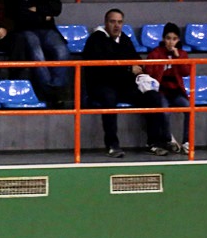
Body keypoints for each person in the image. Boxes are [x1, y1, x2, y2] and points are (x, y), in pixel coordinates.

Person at [82, 8, 168, 157]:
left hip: (124, 86)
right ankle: (112, 145)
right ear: (105, 23)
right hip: (101, 85)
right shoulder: (95, 40)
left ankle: (153, 143)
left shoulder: (125, 39)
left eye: (120, 22)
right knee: (109, 98)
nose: (116, 26)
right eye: (113, 22)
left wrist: (137, 70)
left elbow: (137, 61)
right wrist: (128, 69)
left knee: (153, 97)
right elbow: (102, 68)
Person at [6, 0, 71, 107]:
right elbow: (18, 15)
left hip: (48, 30)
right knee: (37, 54)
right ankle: (52, 94)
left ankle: (55, 88)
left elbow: (56, 8)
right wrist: (44, 15)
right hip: (25, 30)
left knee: (62, 52)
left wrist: (36, 10)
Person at [144, 22, 191, 154]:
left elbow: (186, 71)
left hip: (176, 91)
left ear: (178, 40)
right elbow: (148, 72)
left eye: (174, 39)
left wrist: (177, 58)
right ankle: (169, 139)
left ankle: (187, 141)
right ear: (163, 39)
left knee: (189, 108)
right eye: (168, 38)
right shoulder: (155, 53)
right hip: (161, 91)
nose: (171, 42)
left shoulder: (182, 54)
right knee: (165, 111)